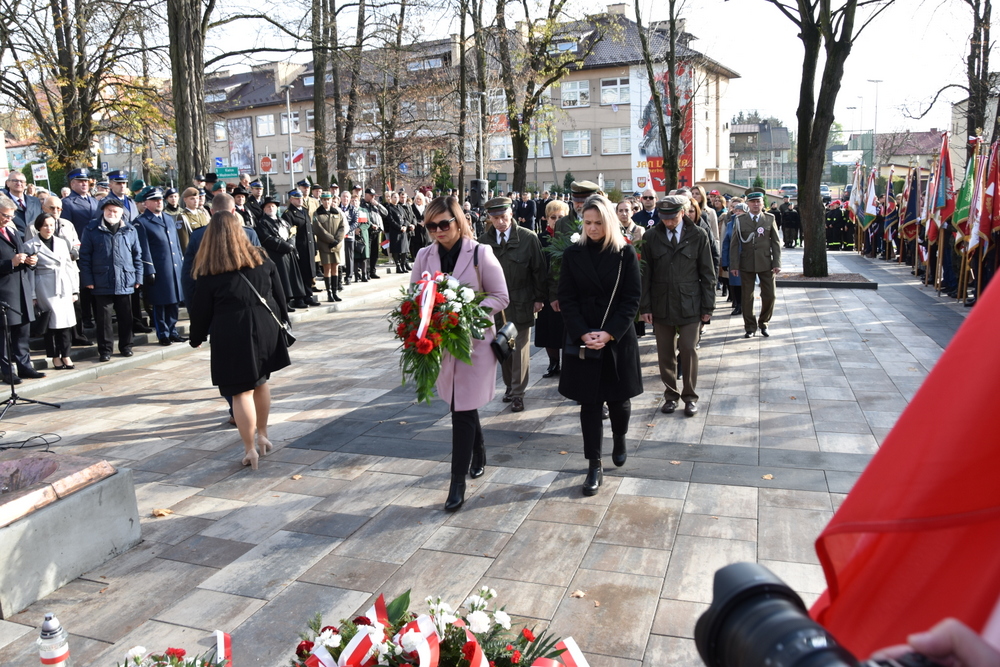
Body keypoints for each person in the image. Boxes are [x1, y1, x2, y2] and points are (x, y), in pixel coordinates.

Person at [410, 196, 509, 511]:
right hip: (442, 345)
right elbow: (415, 296)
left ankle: (457, 483)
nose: (438, 231)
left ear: (458, 220)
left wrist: (466, 313)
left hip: (475, 345)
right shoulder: (425, 256)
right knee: (459, 403)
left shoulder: (481, 253)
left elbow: (500, 296)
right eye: (431, 226)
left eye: (443, 224)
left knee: (461, 410)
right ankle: (477, 450)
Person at [188, 211, 291, 470]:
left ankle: (249, 450)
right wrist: (283, 321)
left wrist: (196, 337)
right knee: (261, 382)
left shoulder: (209, 270)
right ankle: (263, 434)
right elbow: (280, 294)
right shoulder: (261, 258)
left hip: (232, 331)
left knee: (240, 392)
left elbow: (201, 310)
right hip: (265, 326)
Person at [558, 195, 642, 496]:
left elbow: (632, 298)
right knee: (589, 404)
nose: (592, 228)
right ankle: (594, 463)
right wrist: (582, 333)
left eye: (597, 223)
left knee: (619, 401)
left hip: (616, 338)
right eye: (587, 223)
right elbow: (566, 298)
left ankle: (619, 436)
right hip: (584, 338)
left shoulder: (624, 254)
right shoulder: (572, 253)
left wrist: (609, 333)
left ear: (608, 221)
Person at [640, 195, 716, 418]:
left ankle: (690, 397)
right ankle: (671, 396)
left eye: (672, 217)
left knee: (689, 350)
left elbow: (708, 274)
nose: (668, 222)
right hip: (661, 304)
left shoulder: (698, 235)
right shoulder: (652, 236)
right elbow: (646, 275)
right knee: (665, 354)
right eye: (664, 218)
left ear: (682, 212)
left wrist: (708, 307)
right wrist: (645, 307)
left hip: (690, 303)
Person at [477, 197, 547, 413]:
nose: (500, 222)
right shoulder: (483, 241)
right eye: (495, 218)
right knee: (501, 346)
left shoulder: (528, 237)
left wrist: (539, 298)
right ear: (489, 218)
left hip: (521, 300)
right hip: (495, 304)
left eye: (503, 217)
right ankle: (509, 385)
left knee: (519, 350)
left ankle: (518, 393)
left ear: (511, 214)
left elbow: (539, 270)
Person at [78, 197, 144, 362]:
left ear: (121, 213)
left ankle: (126, 346)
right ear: (103, 211)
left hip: (125, 279)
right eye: (108, 210)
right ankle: (105, 350)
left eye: (115, 211)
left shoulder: (130, 230)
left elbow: (137, 255)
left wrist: (138, 276)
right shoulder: (91, 229)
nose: (111, 213)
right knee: (104, 319)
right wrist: (87, 280)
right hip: (101, 280)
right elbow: (84, 256)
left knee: (126, 316)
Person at [25, 213, 78, 369]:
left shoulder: (62, 243)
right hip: (44, 286)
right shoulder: (30, 245)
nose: (49, 228)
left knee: (66, 323)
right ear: (39, 227)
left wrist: (74, 290)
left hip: (64, 285)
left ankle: (66, 355)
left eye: (51, 225)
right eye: (45, 225)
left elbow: (69, 266)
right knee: (51, 323)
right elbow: (30, 272)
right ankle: (55, 356)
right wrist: (33, 295)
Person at [133, 188, 186, 345]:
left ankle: (173, 330)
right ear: (146, 203)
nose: (159, 202)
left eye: (160, 200)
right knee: (160, 302)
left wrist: (181, 266)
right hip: (158, 268)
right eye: (154, 200)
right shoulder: (141, 222)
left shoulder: (168, 218)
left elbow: (175, 244)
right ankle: (163, 333)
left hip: (173, 266)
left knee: (174, 300)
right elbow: (143, 248)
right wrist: (149, 269)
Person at [0, 197, 43, 383]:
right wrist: (10, 263)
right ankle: (6, 371)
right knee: (4, 335)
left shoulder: (12, 230)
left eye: (10, 216)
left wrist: (30, 261)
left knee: (22, 331)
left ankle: (25, 366)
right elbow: (10, 260)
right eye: (4, 215)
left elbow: (21, 253)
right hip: (4, 290)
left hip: (21, 288)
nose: (8, 219)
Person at [729, 188, 781, 338]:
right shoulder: (739, 220)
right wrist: (734, 265)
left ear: (762, 203)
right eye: (752, 202)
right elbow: (734, 244)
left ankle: (764, 323)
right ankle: (750, 327)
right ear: (748, 203)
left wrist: (776, 262)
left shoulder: (769, 219)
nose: (755, 204)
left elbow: (776, 243)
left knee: (770, 295)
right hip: (746, 263)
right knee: (747, 297)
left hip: (766, 263)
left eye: (758, 201)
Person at [535, 200, 569, 378]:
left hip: (566, 292)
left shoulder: (571, 238)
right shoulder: (540, 239)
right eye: (552, 217)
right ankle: (553, 363)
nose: (556, 221)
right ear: (546, 219)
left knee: (566, 329)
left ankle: (568, 364)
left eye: (560, 217)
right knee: (549, 329)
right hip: (546, 292)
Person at [282, 190, 321, 307]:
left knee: (308, 272)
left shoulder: (304, 211)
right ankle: (299, 298)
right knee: (299, 274)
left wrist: (314, 246)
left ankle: (308, 295)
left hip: (308, 247)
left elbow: (310, 231)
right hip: (298, 248)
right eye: (297, 198)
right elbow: (289, 234)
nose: (300, 200)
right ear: (291, 199)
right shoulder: (288, 214)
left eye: (301, 198)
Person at [312, 192, 346, 302]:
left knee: (335, 268)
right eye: (324, 200)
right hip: (325, 245)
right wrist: (331, 239)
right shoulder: (317, 213)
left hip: (336, 246)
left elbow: (342, 226)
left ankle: (335, 292)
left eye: (328, 200)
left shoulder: (337, 212)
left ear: (331, 200)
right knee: (327, 269)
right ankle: (329, 293)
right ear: (321, 200)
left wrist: (337, 240)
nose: (327, 202)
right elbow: (319, 229)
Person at [721, 198, 745, 315]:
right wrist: (724, 262)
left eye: (741, 211)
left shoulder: (749, 224)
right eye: (736, 210)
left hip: (746, 259)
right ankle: (738, 305)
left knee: (746, 284)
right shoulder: (730, 224)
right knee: (735, 284)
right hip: (734, 259)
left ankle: (746, 305)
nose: (738, 212)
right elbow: (726, 244)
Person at [3, 171, 42, 239]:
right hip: (14, 242)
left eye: (22, 181)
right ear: (7, 183)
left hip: (36, 241)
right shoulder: (2, 202)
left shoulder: (36, 201)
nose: (19, 183)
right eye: (15, 180)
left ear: (25, 184)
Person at [360, 188, 387, 279]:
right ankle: (366, 272)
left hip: (377, 231)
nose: (372, 197)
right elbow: (363, 216)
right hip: (368, 230)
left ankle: (373, 271)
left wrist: (378, 204)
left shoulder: (375, 205)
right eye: (371, 195)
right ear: (366, 195)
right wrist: (371, 224)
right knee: (368, 252)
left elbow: (385, 213)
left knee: (375, 252)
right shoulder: (362, 204)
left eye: (373, 196)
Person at [385, 191, 411, 274]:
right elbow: (391, 220)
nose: (396, 199)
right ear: (391, 198)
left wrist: (405, 226)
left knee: (404, 249)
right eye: (394, 197)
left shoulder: (400, 207)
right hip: (395, 231)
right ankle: (398, 266)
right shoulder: (389, 207)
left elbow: (405, 219)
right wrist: (400, 227)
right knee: (396, 250)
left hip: (403, 231)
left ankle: (403, 265)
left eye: (397, 197)